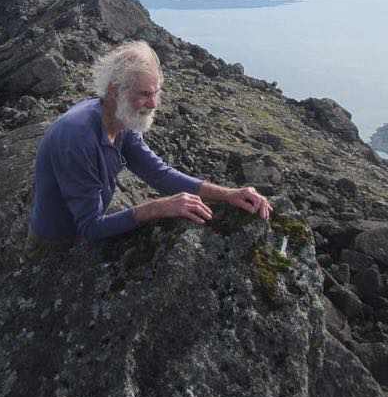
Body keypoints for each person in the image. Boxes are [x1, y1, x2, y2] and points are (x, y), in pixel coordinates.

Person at [28, 40, 272, 249]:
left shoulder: (121, 119)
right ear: (115, 91)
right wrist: (157, 208)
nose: (154, 103)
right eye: (144, 94)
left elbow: (159, 174)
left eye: (156, 92)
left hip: (85, 226)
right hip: (59, 244)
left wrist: (229, 195)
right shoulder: (77, 139)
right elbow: (90, 227)